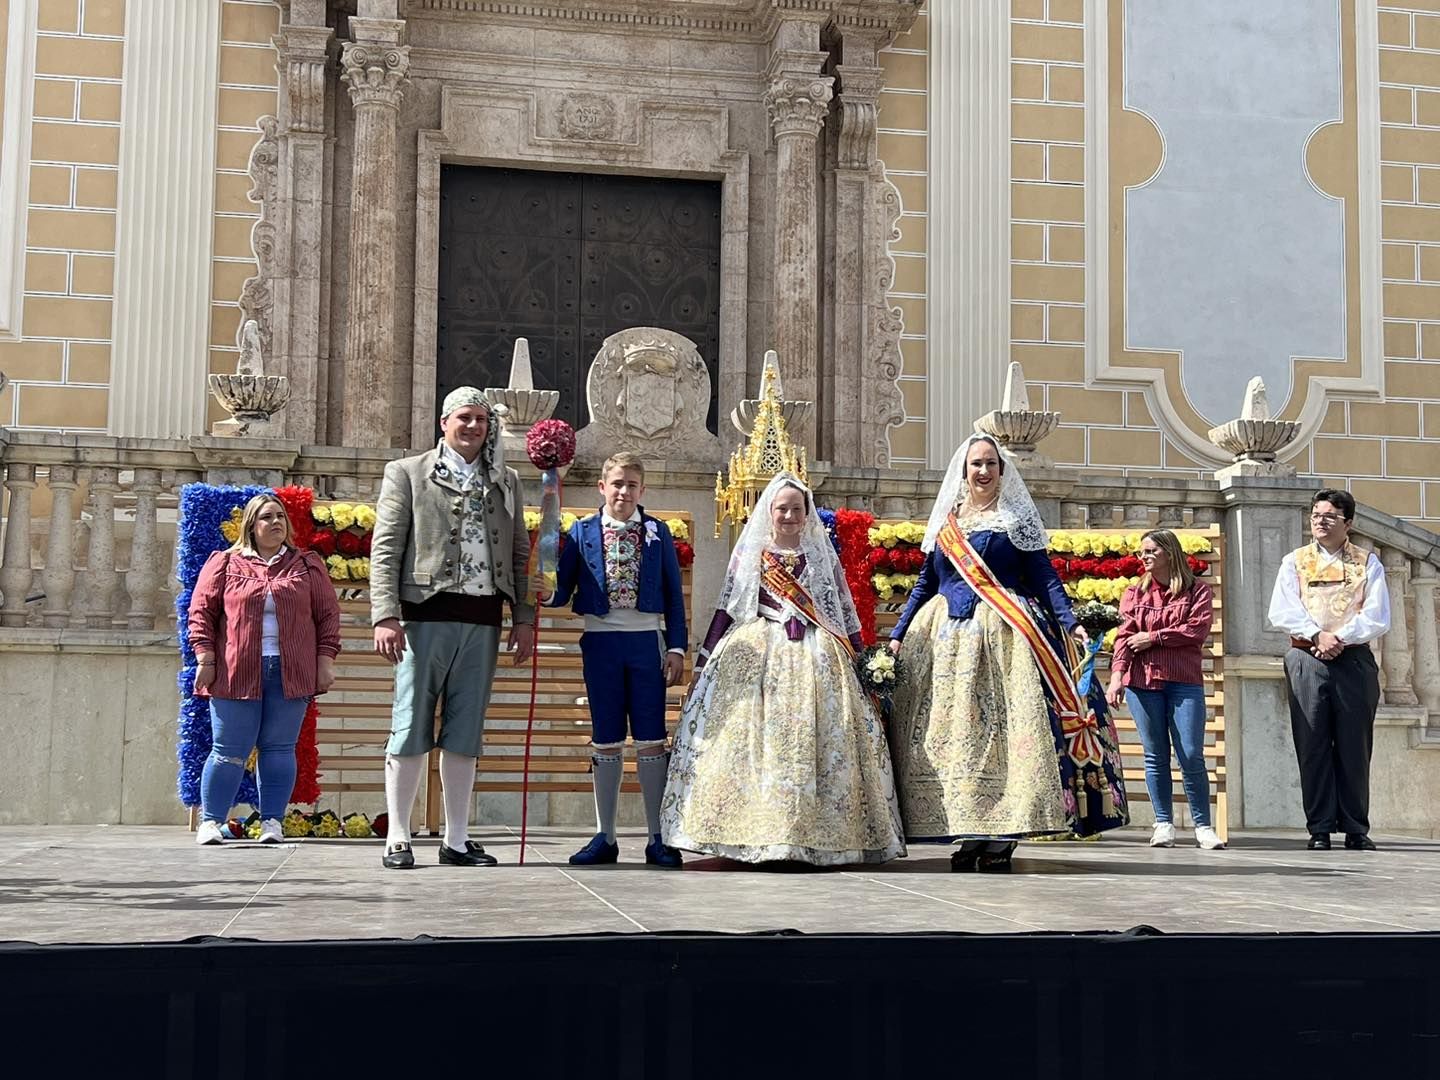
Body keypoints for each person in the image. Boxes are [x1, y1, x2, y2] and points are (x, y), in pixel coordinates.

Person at [888, 434, 1127, 872]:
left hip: (1006, 638)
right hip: (944, 645)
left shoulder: (1016, 519)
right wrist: (898, 634)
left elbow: (1045, 577)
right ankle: (970, 831)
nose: (983, 471)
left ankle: (1001, 835)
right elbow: (925, 584)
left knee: (1002, 737)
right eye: (975, 464)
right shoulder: (946, 524)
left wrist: (1070, 622)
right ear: (964, 471)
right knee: (955, 743)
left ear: (1002, 470)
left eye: (990, 464)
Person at [662, 473, 906, 866]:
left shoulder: (820, 557)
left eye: (796, 508)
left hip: (818, 654)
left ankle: (816, 835)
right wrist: (705, 660)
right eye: (782, 509)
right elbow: (726, 610)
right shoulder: (753, 554)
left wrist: (863, 661)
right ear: (769, 513)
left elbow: (842, 614)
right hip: (759, 650)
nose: (789, 515)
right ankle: (759, 831)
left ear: (806, 513)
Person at [370, 387, 535, 869]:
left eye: (481, 420)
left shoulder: (505, 479)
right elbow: (386, 549)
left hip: (483, 616)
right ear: (444, 422)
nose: (473, 427)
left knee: (466, 732)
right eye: (464, 418)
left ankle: (457, 840)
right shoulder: (408, 473)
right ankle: (397, 836)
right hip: (425, 613)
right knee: (409, 726)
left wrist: (523, 617)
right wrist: (385, 614)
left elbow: (521, 552)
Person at [548, 451, 688, 868]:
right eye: (617, 484)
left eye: (631, 485)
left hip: (646, 642)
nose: (624, 492)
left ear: (642, 490)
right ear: (602, 487)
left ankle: (657, 837)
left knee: (650, 738)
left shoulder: (657, 533)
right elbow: (563, 589)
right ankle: (605, 835)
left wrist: (677, 647)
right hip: (601, 643)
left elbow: (673, 595)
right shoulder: (582, 531)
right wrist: (543, 589)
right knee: (606, 736)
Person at [188, 493, 341, 845]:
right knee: (228, 750)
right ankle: (211, 822)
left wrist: (325, 661)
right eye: (267, 518)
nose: (276, 523)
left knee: (279, 750)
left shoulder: (306, 565)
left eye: (280, 517)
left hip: (291, 671)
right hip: (235, 669)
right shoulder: (225, 563)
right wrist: (205, 659)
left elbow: (328, 616)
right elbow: (201, 615)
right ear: (251, 527)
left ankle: (272, 821)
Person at [1267, 488, 1390, 851]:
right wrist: (1316, 635)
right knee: (1312, 741)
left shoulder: (1368, 562)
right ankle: (1318, 826)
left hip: (1352, 659)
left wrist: (1338, 637)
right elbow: (1282, 610)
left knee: (1355, 744)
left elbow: (1378, 615)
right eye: (1316, 515)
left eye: (1330, 516)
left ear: (1348, 523)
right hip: (1305, 658)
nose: (1320, 521)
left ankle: (1356, 826)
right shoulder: (1295, 561)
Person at [1106, 529, 1224, 850]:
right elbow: (1124, 638)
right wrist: (1117, 676)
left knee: (1190, 755)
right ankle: (1163, 823)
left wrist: (1153, 638)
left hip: (1184, 682)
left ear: (1169, 553)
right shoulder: (1134, 593)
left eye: (1150, 551)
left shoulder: (1196, 591)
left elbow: (1195, 630)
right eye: (1142, 552)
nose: (1143, 557)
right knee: (1155, 755)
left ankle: (1203, 826)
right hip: (1142, 683)